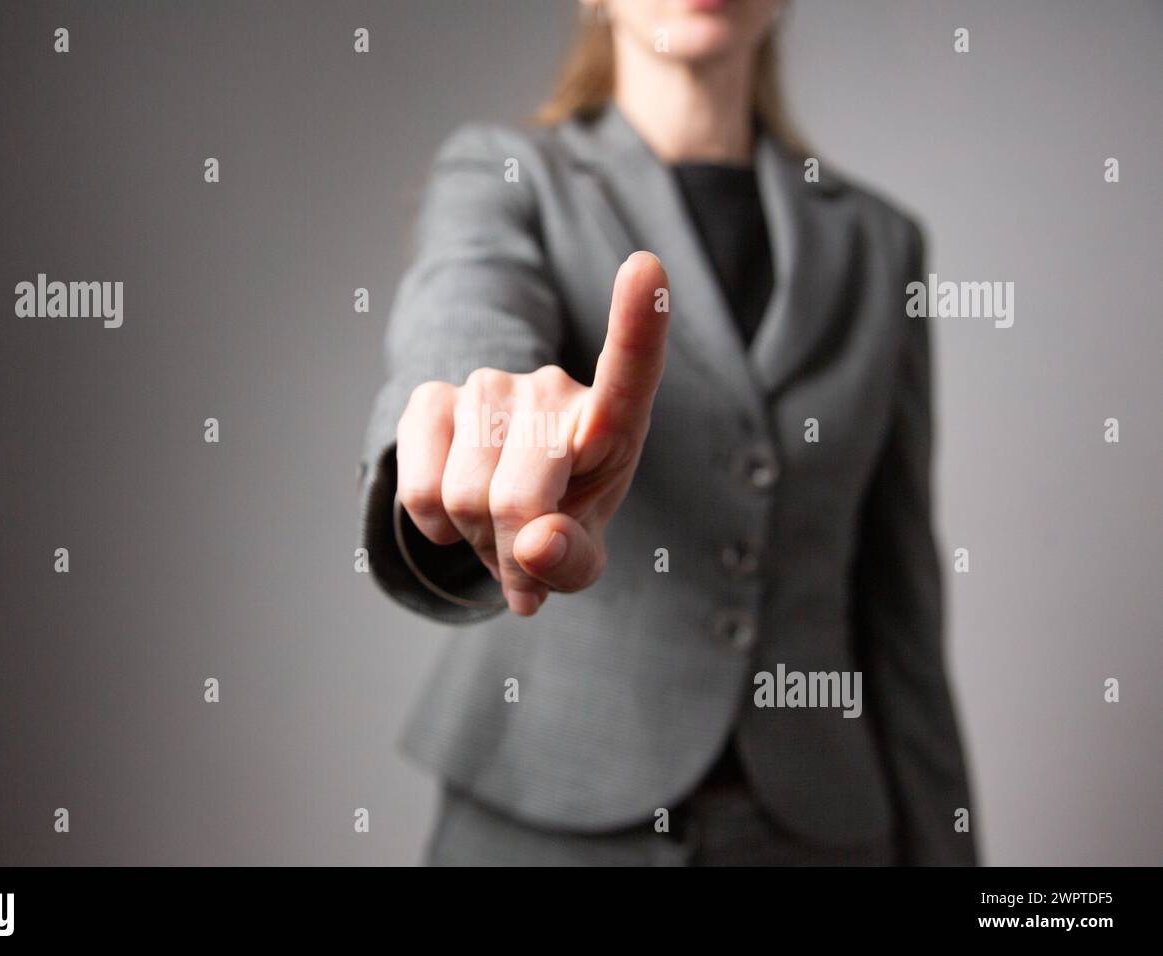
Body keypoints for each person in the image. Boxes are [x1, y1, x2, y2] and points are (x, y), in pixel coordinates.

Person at [358, 0, 977, 866]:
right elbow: (466, 313)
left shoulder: (882, 244)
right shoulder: (505, 174)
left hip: (818, 833)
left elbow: (898, 589)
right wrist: (480, 428)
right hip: (546, 820)